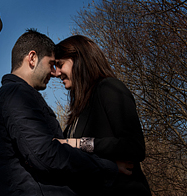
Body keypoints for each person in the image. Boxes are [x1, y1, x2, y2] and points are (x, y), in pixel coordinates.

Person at [0, 29, 130, 196]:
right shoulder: (16, 95)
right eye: (51, 64)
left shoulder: (14, 95)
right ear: (32, 58)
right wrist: (108, 167)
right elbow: (45, 154)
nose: (54, 73)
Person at [54, 35, 151, 196]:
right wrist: (110, 164)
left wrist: (79, 143)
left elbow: (135, 146)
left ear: (79, 59)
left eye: (60, 64)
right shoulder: (79, 110)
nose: (56, 73)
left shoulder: (109, 88)